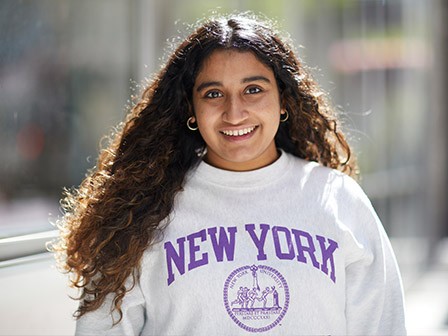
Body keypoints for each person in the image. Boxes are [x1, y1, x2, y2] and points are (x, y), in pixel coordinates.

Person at [53, 12, 407, 335]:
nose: (234, 112)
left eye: (253, 89)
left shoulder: (338, 199)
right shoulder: (142, 211)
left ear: (283, 100)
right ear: (190, 109)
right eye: (213, 94)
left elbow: (383, 326)